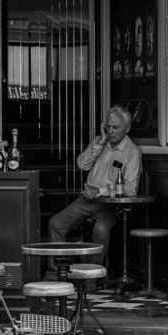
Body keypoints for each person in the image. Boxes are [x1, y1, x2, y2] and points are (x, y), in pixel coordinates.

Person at [48, 105, 142, 269]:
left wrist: (100, 192)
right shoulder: (100, 141)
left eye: (115, 127)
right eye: (108, 127)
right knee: (56, 223)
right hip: (87, 200)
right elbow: (82, 164)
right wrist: (101, 141)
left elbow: (130, 190)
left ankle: (91, 277)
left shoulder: (132, 152)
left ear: (127, 129)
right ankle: (58, 270)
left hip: (110, 205)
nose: (110, 131)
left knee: (100, 229)